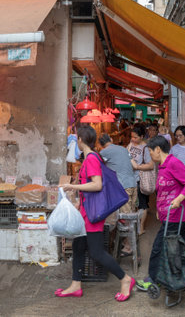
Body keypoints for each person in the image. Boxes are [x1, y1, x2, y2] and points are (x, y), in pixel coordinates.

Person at [59, 125, 135, 302]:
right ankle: (75, 285)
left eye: (76, 139)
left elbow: (97, 185)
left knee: (96, 252)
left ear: (79, 140)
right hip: (85, 212)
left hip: (92, 215)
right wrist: (78, 202)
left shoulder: (91, 158)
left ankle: (125, 279)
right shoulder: (89, 157)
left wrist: (72, 186)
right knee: (78, 247)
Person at [135, 136, 185, 293]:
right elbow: (163, 190)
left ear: (158, 149)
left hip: (175, 215)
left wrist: (178, 200)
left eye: (150, 151)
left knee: (158, 247)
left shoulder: (174, 163)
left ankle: (153, 280)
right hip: (168, 216)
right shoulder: (163, 166)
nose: (150, 155)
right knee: (179, 247)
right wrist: (159, 210)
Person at [99, 133, 137, 256]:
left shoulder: (105, 152)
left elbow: (98, 167)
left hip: (123, 187)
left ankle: (128, 247)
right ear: (111, 139)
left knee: (126, 218)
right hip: (132, 184)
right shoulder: (122, 148)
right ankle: (125, 242)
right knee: (130, 214)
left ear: (101, 145)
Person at [127, 124, 155, 235]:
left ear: (142, 136)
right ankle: (135, 225)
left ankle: (141, 227)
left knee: (142, 204)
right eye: (132, 137)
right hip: (130, 179)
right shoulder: (130, 144)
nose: (133, 139)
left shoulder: (146, 148)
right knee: (134, 203)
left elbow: (151, 165)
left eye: (135, 137)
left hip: (140, 179)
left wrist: (137, 167)